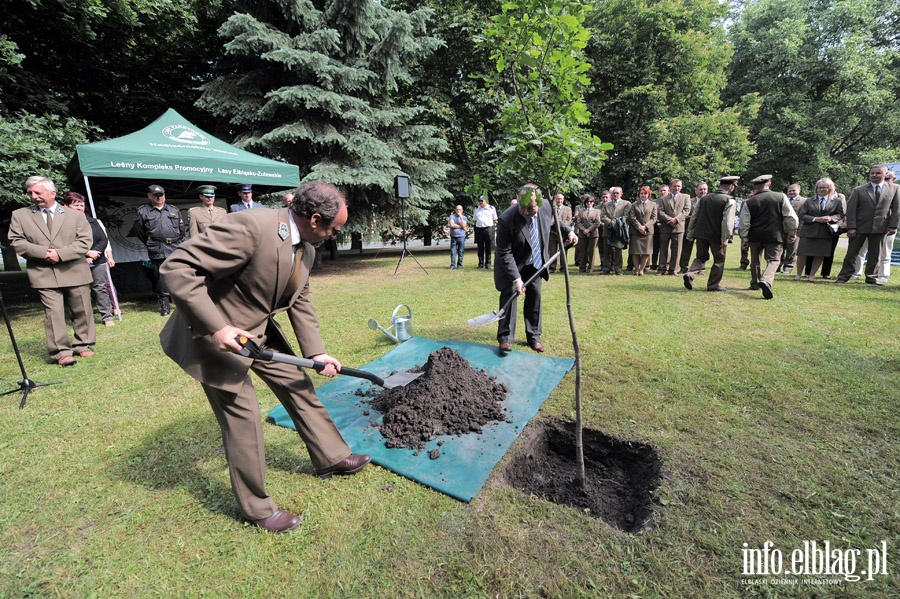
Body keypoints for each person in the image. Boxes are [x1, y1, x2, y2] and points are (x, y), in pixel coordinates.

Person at [159, 181, 370, 533]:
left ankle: (331, 457)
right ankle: (257, 508)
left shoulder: (307, 249)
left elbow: (299, 298)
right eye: (334, 229)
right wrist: (217, 328)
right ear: (315, 219)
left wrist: (315, 351)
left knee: (297, 384)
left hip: (257, 328)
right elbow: (177, 267)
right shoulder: (251, 227)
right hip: (214, 335)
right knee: (243, 417)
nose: (335, 236)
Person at [8, 176, 96, 366]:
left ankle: (83, 344)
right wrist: (43, 253)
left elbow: (84, 242)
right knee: (53, 313)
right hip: (43, 272)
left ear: (53, 193)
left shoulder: (76, 215)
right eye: (30, 193)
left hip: (75, 270)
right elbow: (16, 242)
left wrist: (60, 254)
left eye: (38, 192)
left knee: (82, 309)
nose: (33, 196)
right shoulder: (20, 215)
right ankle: (61, 352)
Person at [494, 184, 577, 356]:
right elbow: (504, 252)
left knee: (535, 296)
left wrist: (568, 231)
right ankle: (505, 338)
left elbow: (554, 221)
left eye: (530, 208)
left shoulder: (546, 206)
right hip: (513, 264)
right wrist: (516, 279)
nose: (525, 211)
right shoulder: (506, 219)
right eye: (522, 207)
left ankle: (533, 336)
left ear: (539, 203)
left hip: (535, 263)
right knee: (510, 294)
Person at [834, 164, 900, 286]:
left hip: (881, 227)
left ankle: (872, 277)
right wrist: (851, 227)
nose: (874, 175)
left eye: (878, 173)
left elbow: (896, 209)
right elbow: (851, 210)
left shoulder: (895, 188)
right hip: (859, 227)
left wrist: (893, 226)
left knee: (876, 254)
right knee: (852, 253)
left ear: (885, 174)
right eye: (872, 173)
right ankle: (843, 277)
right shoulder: (859, 190)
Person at [738, 174, 798, 300]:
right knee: (774, 260)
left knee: (755, 260)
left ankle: (755, 283)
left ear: (756, 187)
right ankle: (766, 280)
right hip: (774, 234)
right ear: (769, 184)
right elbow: (790, 216)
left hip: (755, 235)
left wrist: (744, 237)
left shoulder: (749, 201)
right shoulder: (780, 196)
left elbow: (744, 222)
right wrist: (792, 232)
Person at [62, 192, 115, 326]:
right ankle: (82, 319)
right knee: (80, 291)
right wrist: (86, 254)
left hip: (98, 261)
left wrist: (95, 253)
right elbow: (65, 243)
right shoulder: (62, 224)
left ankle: (107, 316)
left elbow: (103, 239)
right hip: (76, 261)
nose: (79, 208)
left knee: (100, 288)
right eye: (76, 205)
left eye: (81, 205)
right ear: (66, 206)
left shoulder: (93, 221)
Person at [133, 184, 185, 315]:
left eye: (161, 195)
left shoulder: (173, 210)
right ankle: (165, 306)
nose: (159, 198)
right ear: (149, 196)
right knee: (160, 278)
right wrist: (152, 242)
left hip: (174, 247)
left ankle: (181, 303)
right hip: (157, 248)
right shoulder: (143, 211)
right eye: (156, 196)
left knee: (178, 275)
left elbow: (182, 230)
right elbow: (139, 232)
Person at [683, 176, 739, 292]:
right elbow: (727, 222)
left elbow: (694, 216)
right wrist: (725, 239)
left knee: (700, 257)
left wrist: (690, 232)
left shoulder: (704, 198)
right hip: (716, 236)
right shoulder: (729, 200)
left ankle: (690, 273)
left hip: (700, 234)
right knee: (719, 260)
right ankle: (713, 285)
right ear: (731, 187)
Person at [794, 178, 844, 282]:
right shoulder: (809, 201)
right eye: (819, 187)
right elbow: (802, 215)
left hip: (825, 232)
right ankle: (798, 274)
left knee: (820, 254)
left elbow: (840, 214)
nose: (821, 189)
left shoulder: (836, 201)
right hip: (808, 230)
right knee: (802, 253)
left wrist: (831, 218)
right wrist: (815, 219)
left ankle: (812, 275)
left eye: (824, 187)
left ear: (830, 188)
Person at [656, 179, 691, 275]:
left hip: (678, 227)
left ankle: (673, 269)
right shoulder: (663, 198)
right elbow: (660, 211)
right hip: (665, 227)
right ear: (670, 187)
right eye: (675, 186)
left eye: (679, 186)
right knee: (663, 249)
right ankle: (662, 269)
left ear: (681, 187)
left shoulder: (686, 197)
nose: (677, 188)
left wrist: (676, 219)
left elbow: (686, 211)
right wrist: (669, 219)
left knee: (676, 250)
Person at [627, 186, 658, 276]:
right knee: (635, 251)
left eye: (645, 193)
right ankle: (636, 269)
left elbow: (654, 218)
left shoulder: (653, 204)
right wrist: (639, 227)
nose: (643, 195)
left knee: (646, 251)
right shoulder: (634, 205)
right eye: (641, 193)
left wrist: (645, 227)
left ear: (649, 195)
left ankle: (641, 270)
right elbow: (631, 217)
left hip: (648, 232)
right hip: (635, 231)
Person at [600, 187, 630, 275]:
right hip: (608, 229)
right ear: (611, 194)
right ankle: (606, 269)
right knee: (607, 251)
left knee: (618, 250)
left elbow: (626, 216)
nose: (615, 195)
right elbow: (603, 216)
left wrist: (616, 224)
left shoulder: (626, 204)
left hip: (619, 230)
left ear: (621, 194)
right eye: (614, 193)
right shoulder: (606, 205)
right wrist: (611, 223)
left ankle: (618, 269)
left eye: (617, 193)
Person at [679, 182, 707, 274]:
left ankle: (701, 268)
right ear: (696, 191)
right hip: (689, 229)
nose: (703, 191)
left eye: (705, 189)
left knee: (702, 250)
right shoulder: (689, 201)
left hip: (703, 230)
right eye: (701, 189)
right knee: (686, 249)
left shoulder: (709, 201)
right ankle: (684, 267)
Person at [778, 184, 805, 274]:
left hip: (794, 230)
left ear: (799, 191)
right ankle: (778, 266)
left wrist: (798, 232)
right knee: (779, 249)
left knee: (792, 250)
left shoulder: (804, 201)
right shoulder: (783, 200)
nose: (791, 192)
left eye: (794, 190)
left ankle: (788, 267)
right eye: (790, 191)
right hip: (781, 229)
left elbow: (802, 218)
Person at [573, 194, 601, 273]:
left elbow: (597, 223)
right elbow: (578, 222)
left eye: (591, 202)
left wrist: (589, 230)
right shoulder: (581, 212)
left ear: (593, 203)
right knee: (582, 251)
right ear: (585, 203)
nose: (589, 203)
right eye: (587, 202)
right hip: (582, 233)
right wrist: (584, 230)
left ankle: (590, 269)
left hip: (593, 234)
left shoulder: (596, 211)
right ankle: (582, 268)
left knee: (591, 252)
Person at [548, 193, 573, 273]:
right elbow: (549, 220)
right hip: (552, 234)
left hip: (564, 234)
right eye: (558, 199)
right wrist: (554, 231)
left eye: (561, 199)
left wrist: (562, 229)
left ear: (563, 200)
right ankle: (552, 267)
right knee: (552, 251)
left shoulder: (568, 209)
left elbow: (569, 220)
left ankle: (563, 267)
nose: (559, 200)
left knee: (563, 251)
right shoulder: (551, 208)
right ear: (555, 199)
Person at [473, 195, 498, 269]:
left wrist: (493, 227)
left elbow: (495, 219)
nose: (480, 203)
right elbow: (475, 219)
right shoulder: (477, 209)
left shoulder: (491, 208)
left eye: (482, 201)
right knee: (480, 247)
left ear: (485, 201)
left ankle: (488, 263)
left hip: (488, 228)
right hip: (479, 229)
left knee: (488, 246)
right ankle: (480, 263)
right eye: (479, 201)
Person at [649, 184, 668, 271]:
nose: (662, 192)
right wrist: (657, 222)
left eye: (664, 190)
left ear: (668, 191)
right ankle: (654, 263)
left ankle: (666, 263)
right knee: (655, 246)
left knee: (666, 247)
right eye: (661, 190)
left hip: (668, 226)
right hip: (655, 227)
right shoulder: (654, 202)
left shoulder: (670, 201)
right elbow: (651, 214)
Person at [448, 204, 468, 269]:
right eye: (457, 209)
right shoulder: (452, 216)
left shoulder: (464, 217)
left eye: (459, 209)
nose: (458, 211)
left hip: (461, 236)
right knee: (453, 251)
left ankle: (460, 265)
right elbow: (452, 225)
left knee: (461, 251)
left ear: (462, 210)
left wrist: (460, 217)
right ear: (455, 210)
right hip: (454, 236)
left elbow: (464, 225)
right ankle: (453, 265)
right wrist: (460, 227)